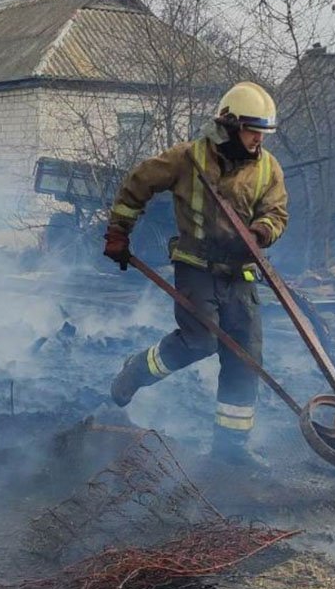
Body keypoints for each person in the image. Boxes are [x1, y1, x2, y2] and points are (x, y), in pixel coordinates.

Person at [103, 82, 288, 465]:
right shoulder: (188, 158)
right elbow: (138, 183)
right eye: (252, 131)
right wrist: (119, 232)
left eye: (262, 134)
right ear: (230, 124)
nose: (258, 140)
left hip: (241, 276)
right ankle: (136, 371)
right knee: (199, 341)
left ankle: (230, 450)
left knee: (246, 356)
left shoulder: (268, 167)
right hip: (196, 270)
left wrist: (260, 232)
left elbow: (277, 213)